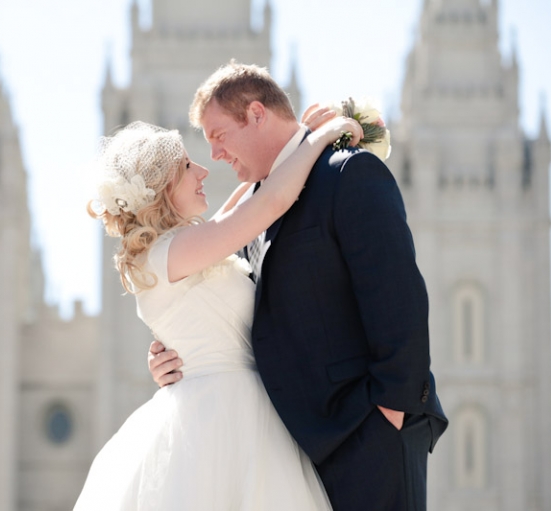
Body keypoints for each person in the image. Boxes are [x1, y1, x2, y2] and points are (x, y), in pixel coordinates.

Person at [148, 61, 449, 511]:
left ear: (256, 113)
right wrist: (172, 348)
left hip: (367, 433)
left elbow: (399, 297)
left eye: (218, 135)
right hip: (291, 452)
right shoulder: (250, 212)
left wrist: (393, 410)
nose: (214, 154)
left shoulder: (348, 173)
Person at [74, 110, 362, 510]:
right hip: (224, 419)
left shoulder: (180, 246)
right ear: (161, 187)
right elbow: (271, 200)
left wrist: (295, 137)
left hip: (238, 407)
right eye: (188, 165)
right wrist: (321, 137)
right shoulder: (172, 253)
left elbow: (240, 204)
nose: (204, 170)